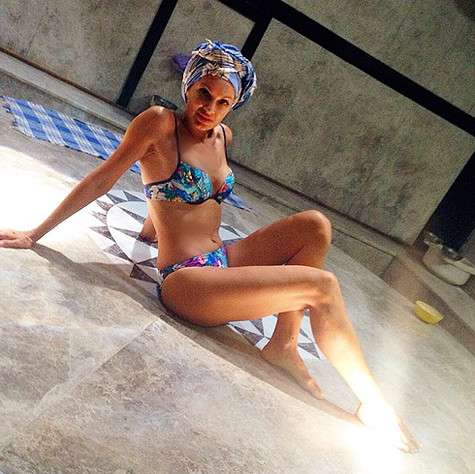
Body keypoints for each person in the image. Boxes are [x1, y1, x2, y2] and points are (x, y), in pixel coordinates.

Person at [0, 39, 418, 453]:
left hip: (222, 259)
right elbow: (104, 178)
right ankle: (375, 404)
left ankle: (284, 343)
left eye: (223, 102)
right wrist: (36, 233)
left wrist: (150, 227)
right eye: (204, 93)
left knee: (315, 226)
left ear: (233, 106)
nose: (210, 109)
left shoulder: (223, 136)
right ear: (189, 85)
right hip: (187, 281)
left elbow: (174, 194)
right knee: (322, 286)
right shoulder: (158, 123)